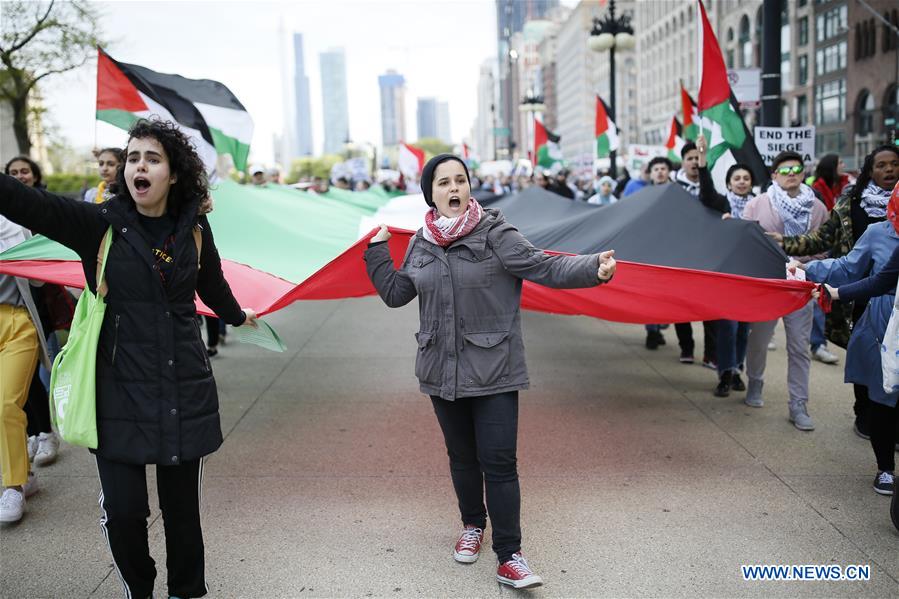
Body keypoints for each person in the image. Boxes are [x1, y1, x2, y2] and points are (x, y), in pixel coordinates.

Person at [0, 118, 258, 598]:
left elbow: (211, 284)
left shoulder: (194, 226)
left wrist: (237, 315)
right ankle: (139, 590)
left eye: (152, 159)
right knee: (123, 512)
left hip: (184, 387)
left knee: (182, 513)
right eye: (133, 157)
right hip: (116, 392)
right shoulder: (97, 224)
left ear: (173, 174)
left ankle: (185, 591)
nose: (140, 166)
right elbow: (23, 201)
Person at [364, 153, 616, 589]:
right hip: (441, 369)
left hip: (494, 368)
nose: (454, 188)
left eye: (460, 180)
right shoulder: (421, 243)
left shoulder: (496, 233)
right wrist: (376, 252)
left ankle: (510, 555)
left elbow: (544, 265)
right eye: (444, 182)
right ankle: (472, 526)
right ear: (431, 194)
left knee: (499, 462)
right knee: (462, 458)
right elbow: (396, 293)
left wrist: (593, 268)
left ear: (469, 187)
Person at [770, 145, 899, 438]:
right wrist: (802, 263)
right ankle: (869, 420)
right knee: (873, 367)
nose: (889, 169)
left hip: (875, 294)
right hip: (868, 301)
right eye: (881, 165)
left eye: (894, 164)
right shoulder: (855, 208)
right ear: (870, 170)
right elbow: (834, 251)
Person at [742, 151, 828, 431]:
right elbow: (745, 242)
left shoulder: (817, 208)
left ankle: (798, 405)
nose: (791, 174)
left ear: (803, 173)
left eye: (796, 169)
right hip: (767, 284)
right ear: (774, 175)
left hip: (799, 286)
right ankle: (755, 382)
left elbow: (823, 248)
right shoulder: (758, 204)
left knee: (799, 346)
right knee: (759, 339)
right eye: (785, 170)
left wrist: (801, 264)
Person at [695, 136, 756, 397]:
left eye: (746, 178)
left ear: (751, 182)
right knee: (727, 327)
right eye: (737, 178)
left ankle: (737, 369)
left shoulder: (759, 205)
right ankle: (725, 373)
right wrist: (702, 159)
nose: (742, 182)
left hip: (750, 276)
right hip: (725, 275)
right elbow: (706, 191)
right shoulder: (721, 203)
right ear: (729, 183)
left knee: (743, 328)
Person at [0, 209, 47, 522]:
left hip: (17, 324)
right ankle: (24, 474)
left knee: (5, 405)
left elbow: (39, 280)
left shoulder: (13, 227)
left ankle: (13, 486)